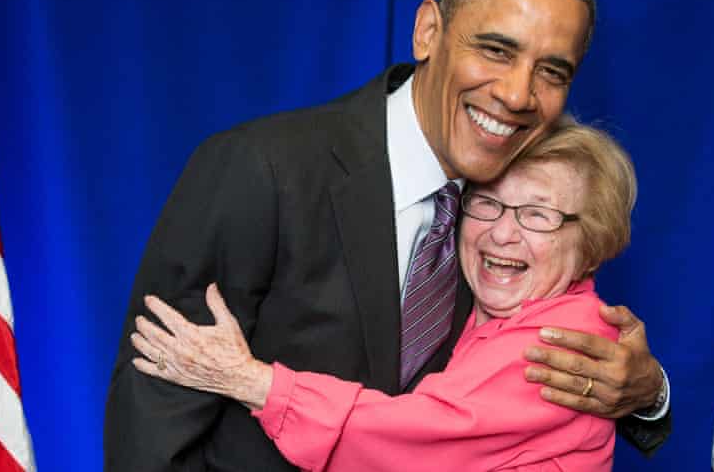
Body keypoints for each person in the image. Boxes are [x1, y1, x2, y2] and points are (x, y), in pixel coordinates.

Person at [104, 0, 671, 470]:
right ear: (428, 32)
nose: (518, 94)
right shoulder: (262, 169)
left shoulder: (518, 204)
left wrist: (648, 393)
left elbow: (487, 411)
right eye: (496, 49)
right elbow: (159, 403)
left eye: (551, 72)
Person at [131, 123, 636, 471]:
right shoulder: (477, 302)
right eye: (488, 204)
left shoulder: (567, 345)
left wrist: (252, 381)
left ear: (592, 244)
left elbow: (415, 444)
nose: (503, 233)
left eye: (538, 215)